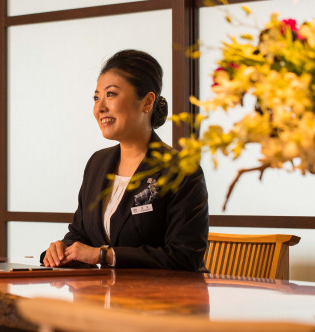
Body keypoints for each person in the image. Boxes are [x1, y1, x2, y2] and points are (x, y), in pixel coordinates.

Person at [42, 50, 208, 271]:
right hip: (105, 298)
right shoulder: (97, 163)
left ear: (147, 102)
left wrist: (105, 255)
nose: (99, 107)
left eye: (110, 94)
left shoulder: (180, 171)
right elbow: (80, 235)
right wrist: (62, 248)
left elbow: (184, 257)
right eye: (96, 97)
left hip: (165, 301)